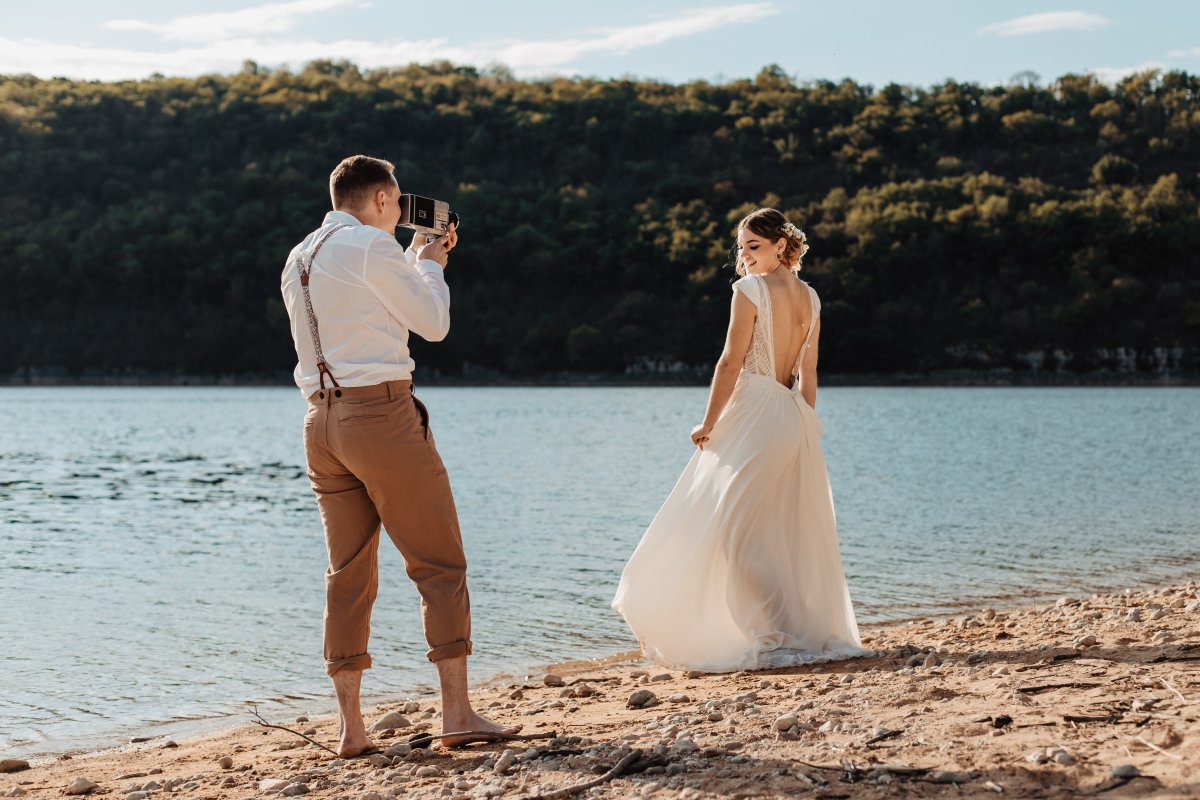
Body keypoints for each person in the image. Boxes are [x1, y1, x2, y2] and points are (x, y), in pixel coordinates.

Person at [281, 154, 517, 755]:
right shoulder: (370, 246)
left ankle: (351, 729)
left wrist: (415, 260)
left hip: (321, 423)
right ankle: (457, 714)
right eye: (397, 202)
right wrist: (433, 262)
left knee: (348, 573)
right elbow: (431, 323)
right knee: (439, 564)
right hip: (379, 417)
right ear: (384, 201)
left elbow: (373, 308)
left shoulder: (301, 254)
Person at [612, 208, 872, 672]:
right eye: (741, 247)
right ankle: (787, 628)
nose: (744, 255)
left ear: (780, 246)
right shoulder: (811, 297)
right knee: (771, 530)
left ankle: (774, 633)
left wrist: (706, 422)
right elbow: (808, 374)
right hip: (793, 416)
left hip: (757, 412)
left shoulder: (748, 291)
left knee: (737, 531)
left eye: (754, 246)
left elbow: (729, 363)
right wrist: (807, 424)